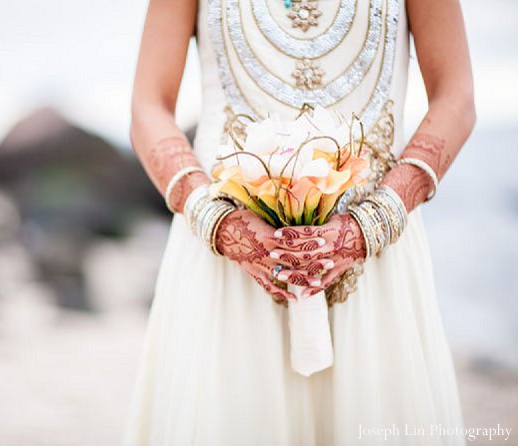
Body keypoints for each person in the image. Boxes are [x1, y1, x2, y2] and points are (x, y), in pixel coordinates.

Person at [124, 0, 475, 444]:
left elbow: (456, 97)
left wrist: (371, 223)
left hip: (375, 270)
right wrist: (217, 220)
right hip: (226, 273)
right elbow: (148, 105)